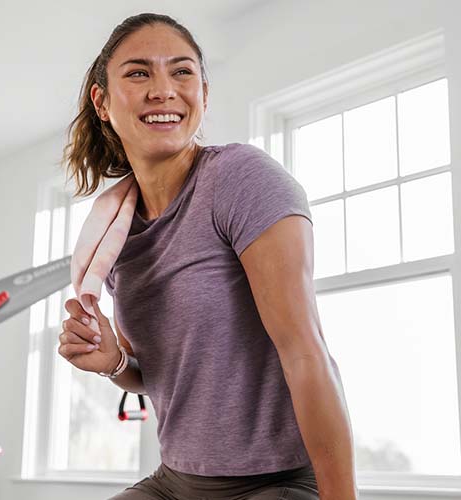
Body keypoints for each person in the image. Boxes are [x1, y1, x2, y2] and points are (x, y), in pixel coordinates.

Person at [58, 13, 358, 500]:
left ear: (204, 92)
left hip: (273, 482)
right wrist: (114, 362)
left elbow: (306, 354)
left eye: (182, 71)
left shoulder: (241, 180)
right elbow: (151, 377)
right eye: (138, 73)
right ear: (102, 102)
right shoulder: (115, 231)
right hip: (177, 481)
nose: (163, 90)